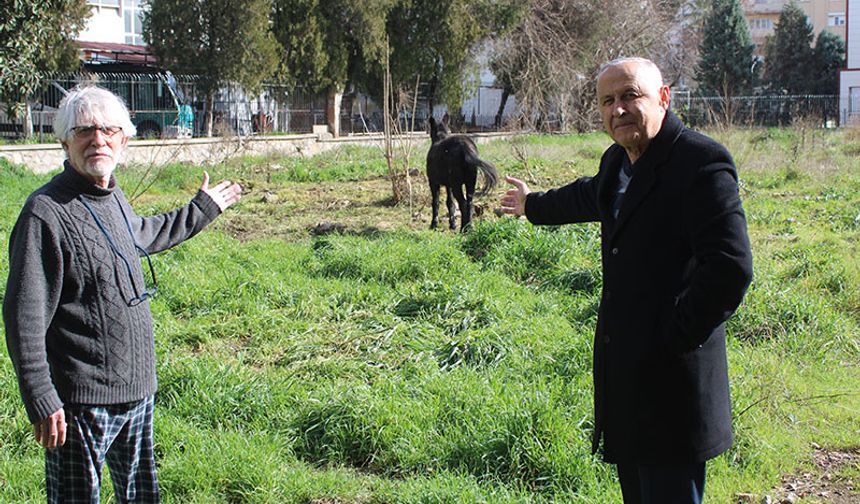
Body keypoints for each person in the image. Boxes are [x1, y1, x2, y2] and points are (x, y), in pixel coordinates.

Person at [501, 57, 753, 503]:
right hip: (628, 380)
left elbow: (730, 267)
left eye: (630, 95)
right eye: (607, 101)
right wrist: (532, 205)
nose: (618, 109)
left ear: (663, 97)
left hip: (673, 385)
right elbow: (589, 195)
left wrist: (674, 336)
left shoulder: (701, 162)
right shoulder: (619, 161)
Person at [3, 85, 242, 503]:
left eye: (109, 130)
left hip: (137, 391)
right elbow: (24, 315)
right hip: (81, 403)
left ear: (124, 140)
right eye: (84, 131)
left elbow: (140, 235)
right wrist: (40, 395)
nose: (98, 140)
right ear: (64, 143)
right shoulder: (45, 213)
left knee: (141, 497)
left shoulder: (111, 196)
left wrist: (201, 209)